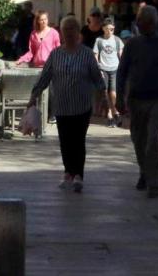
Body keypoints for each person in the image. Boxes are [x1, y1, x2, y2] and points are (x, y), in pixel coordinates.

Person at [28, 15, 106, 193]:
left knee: (78, 140)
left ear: (78, 32)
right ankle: (68, 172)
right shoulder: (55, 55)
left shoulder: (86, 54)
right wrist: (34, 95)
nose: (69, 32)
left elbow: (96, 77)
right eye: (66, 29)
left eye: (73, 28)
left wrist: (103, 98)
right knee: (65, 141)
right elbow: (45, 77)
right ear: (61, 33)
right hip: (62, 106)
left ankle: (78, 175)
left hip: (81, 105)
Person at [118, 5, 158, 198]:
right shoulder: (132, 45)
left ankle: (154, 183)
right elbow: (122, 72)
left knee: (154, 139)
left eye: (144, 22)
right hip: (136, 99)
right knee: (138, 139)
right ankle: (145, 170)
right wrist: (120, 96)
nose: (141, 25)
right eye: (141, 22)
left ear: (153, 23)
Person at [93, 16, 124, 127]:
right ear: (103, 29)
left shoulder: (117, 40)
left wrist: (123, 66)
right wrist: (98, 68)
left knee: (113, 93)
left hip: (115, 69)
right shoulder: (99, 40)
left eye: (112, 29)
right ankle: (113, 114)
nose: (111, 31)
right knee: (105, 93)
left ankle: (112, 113)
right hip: (103, 69)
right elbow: (95, 55)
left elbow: (121, 55)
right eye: (108, 29)